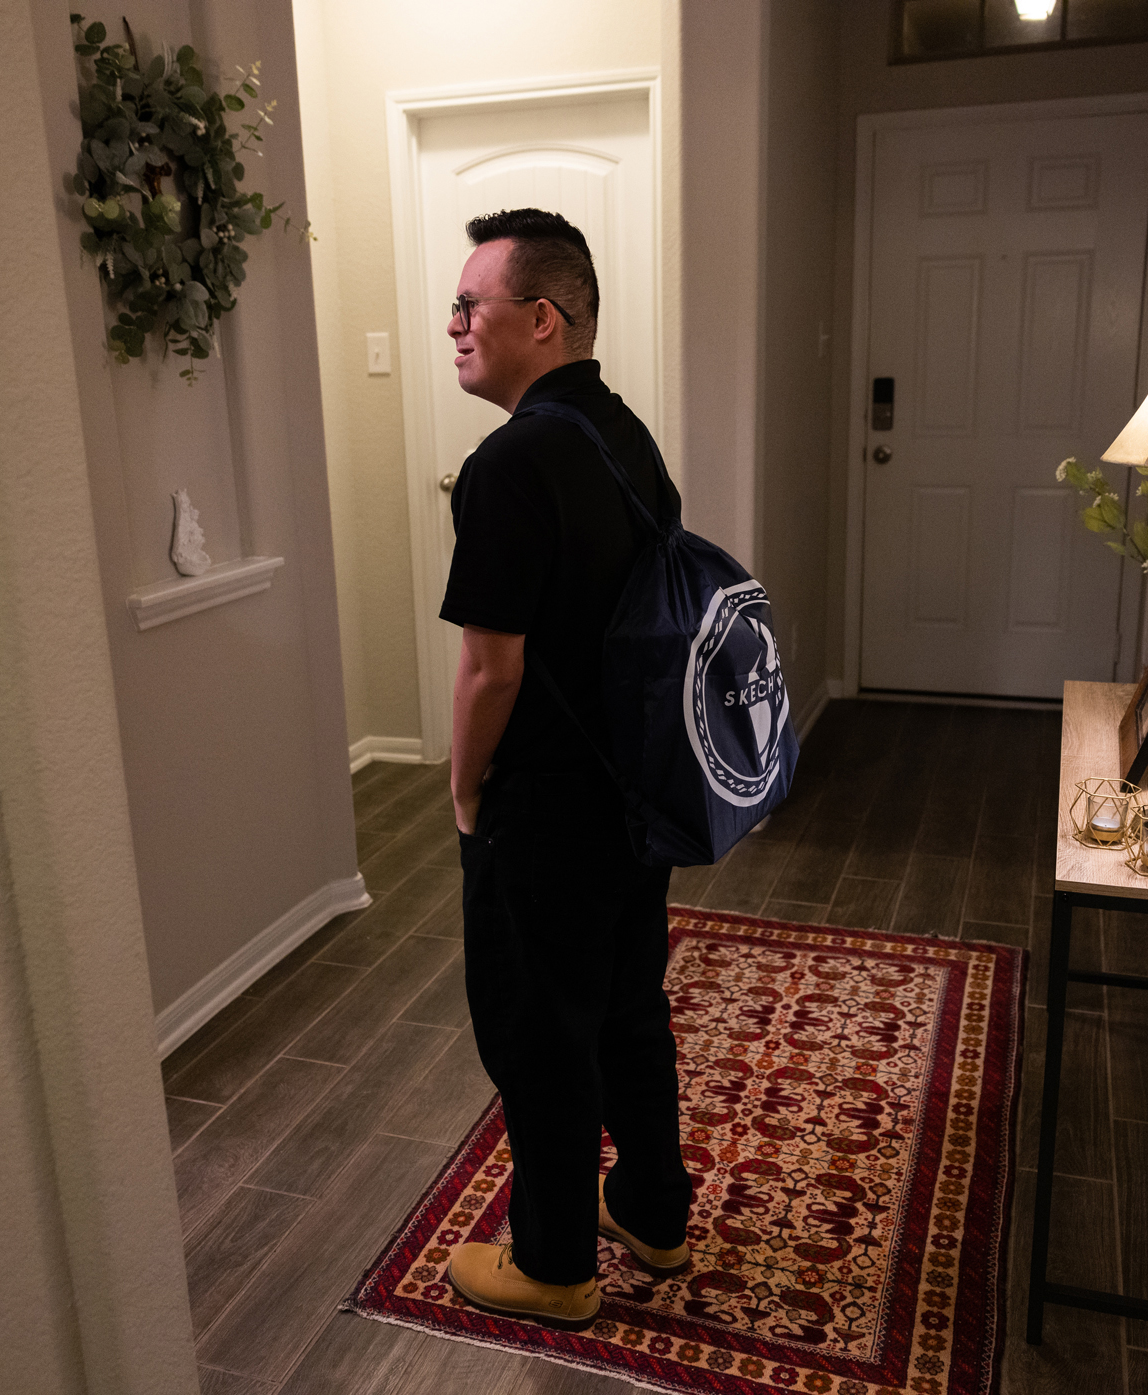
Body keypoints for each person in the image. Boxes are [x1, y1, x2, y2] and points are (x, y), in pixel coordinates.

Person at [439, 208, 695, 1329]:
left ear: (540, 318)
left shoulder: (509, 463)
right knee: (628, 1004)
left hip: (545, 803)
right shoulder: (623, 434)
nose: (453, 325)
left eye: (470, 304)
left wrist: (463, 791)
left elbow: (489, 669)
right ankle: (652, 1208)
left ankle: (551, 1266)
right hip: (636, 786)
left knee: (540, 1034)